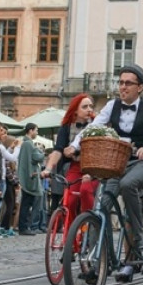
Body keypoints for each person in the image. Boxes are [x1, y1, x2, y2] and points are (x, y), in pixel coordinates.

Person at [66, 64, 143, 282]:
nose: (123, 87)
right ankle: (97, 262)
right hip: (116, 163)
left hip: (142, 162)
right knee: (100, 208)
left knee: (128, 185)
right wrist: (75, 146)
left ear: (140, 87)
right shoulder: (112, 105)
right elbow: (92, 128)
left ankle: (138, 238)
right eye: (120, 82)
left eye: (128, 83)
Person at [42, 93, 97, 232]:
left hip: (94, 167)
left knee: (85, 190)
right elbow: (57, 150)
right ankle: (71, 234)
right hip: (76, 166)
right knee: (70, 200)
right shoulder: (66, 127)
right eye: (85, 106)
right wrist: (48, 169)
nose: (89, 109)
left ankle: (87, 224)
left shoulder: (97, 125)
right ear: (75, 110)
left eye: (91, 106)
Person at [17, 123, 45, 235]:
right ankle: (23, 227)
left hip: (28, 176)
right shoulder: (28, 144)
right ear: (30, 131)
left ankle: (24, 226)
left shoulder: (26, 143)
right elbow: (37, 157)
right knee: (26, 204)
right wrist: (41, 152)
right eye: (36, 130)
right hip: (30, 177)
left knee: (26, 203)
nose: (37, 133)